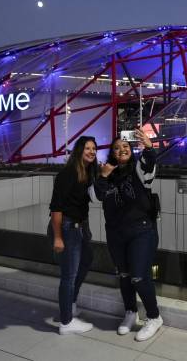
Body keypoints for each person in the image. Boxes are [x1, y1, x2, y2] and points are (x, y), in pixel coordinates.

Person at [92, 128, 163, 341]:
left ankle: (154, 317)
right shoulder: (105, 174)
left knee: (139, 276)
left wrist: (149, 148)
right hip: (116, 233)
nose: (121, 149)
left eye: (125, 147)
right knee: (124, 275)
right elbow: (96, 198)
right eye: (116, 148)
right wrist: (103, 176)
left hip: (141, 230)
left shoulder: (138, 170)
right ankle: (130, 312)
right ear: (112, 153)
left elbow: (150, 168)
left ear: (131, 151)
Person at [48, 136, 98, 335]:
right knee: (68, 276)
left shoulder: (87, 172)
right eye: (87, 148)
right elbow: (56, 208)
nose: (92, 152)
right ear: (79, 150)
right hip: (67, 228)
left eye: (94, 148)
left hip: (79, 227)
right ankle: (66, 322)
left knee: (87, 260)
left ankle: (70, 303)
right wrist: (58, 237)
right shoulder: (68, 174)